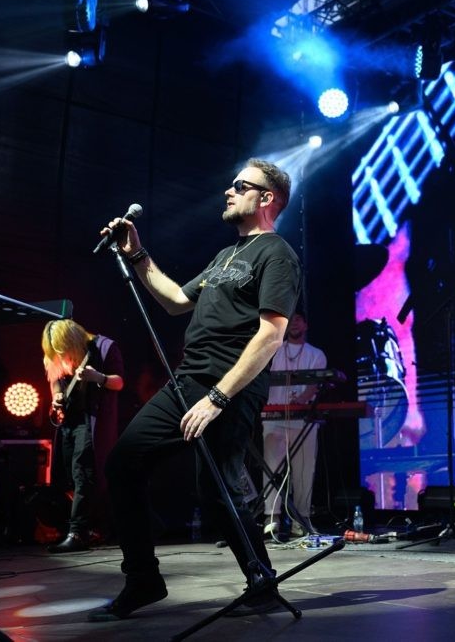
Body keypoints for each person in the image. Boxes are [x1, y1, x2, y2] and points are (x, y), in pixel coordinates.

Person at [86, 159, 301, 622]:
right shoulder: (225, 257)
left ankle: (261, 582)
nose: (228, 191)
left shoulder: (277, 253)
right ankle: (143, 579)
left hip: (231, 387)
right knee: (123, 464)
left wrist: (219, 397)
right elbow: (175, 301)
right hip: (187, 381)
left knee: (218, 490)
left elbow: (270, 335)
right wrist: (138, 255)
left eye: (240, 185)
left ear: (267, 198)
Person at [42, 319, 124, 552]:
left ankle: (77, 532)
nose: (61, 355)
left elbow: (119, 382)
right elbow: (55, 379)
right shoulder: (54, 354)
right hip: (69, 422)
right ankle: (86, 528)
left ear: (73, 341)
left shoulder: (104, 347)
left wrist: (99, 377)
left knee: (83, 473)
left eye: (64, 350)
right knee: (69, 474)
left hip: (91, 421)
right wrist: (57, 396)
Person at [262, 311, 327, 537]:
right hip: (273, 418)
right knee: (271, 468)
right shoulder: (274, 350)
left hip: (303, 419)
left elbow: (316, 384)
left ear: (306, 325)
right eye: (290, 320)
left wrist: (300, 401)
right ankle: (272, 517)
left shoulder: (316, 354)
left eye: (298, 319)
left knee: (304, 471)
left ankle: (301, 519)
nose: (294, 324)